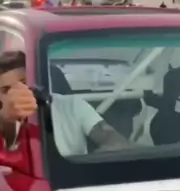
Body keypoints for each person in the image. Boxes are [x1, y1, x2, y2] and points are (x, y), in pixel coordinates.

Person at [0, 51, 128, 155]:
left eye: (24, 83)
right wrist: (7, 119)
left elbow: (114, 140)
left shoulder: (72, 105)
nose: (17, 92)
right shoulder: (3, 118)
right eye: (6, 90)